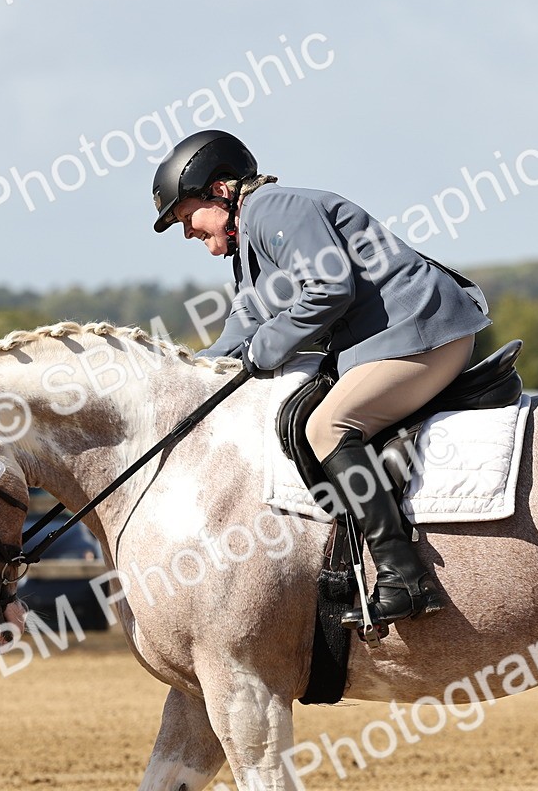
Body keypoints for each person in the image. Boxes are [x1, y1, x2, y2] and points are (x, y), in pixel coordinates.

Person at [152, 130, 492, 626]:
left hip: (422, 332)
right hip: (391, 341)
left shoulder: (274, 210)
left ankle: (404, 575)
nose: (188, 234)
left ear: (221, 190)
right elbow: (246, 322)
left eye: (188, 218)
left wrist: (264, 350)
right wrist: (197, 376)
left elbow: (329, 290)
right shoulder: (249, 246)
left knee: (327, 427)